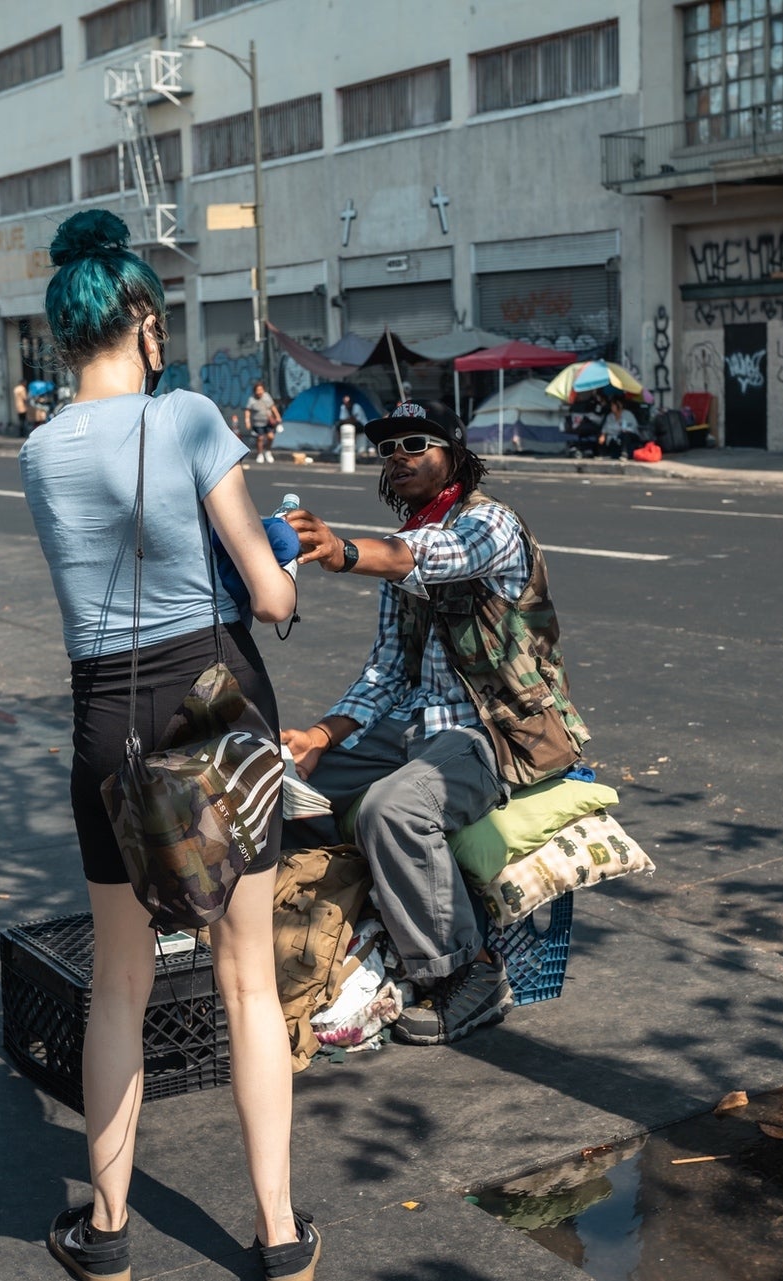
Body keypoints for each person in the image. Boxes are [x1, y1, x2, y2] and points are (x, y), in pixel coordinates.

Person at [18, 209, 319, 1281]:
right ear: (144, 321)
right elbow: (271, 588)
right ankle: (281, 1236)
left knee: (119, 981)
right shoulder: (189, 414)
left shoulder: (39, 451)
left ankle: (105, 1233)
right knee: (246, 977)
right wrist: (277, 569)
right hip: (213, 699)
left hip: (109, 714)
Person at [280, 401, 590, 1046]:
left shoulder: (490, 525)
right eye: (389, 448)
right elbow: (387, 670)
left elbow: (429, 555)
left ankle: (469, 973)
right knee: (274, 787)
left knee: (391, 810)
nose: (400, 456)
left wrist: (339, 551)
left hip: (493, 731)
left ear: (453, 452)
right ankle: (341, 929)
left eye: (416, 443)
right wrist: (321, 735)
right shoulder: (404, 547)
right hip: (413, 725)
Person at [246, 381, 280, 463]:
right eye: (258, 390)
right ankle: (260, 454)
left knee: (271, 437)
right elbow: (248, 410)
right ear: (255, 391)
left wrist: (278, 416)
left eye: (261, 390)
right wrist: (247, 421)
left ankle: (268, 451)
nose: (260, 392)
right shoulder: (252, 399)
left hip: (268, 422)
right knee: (260, 438)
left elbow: (273, 407)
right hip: (258, 423)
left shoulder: (266, 397)